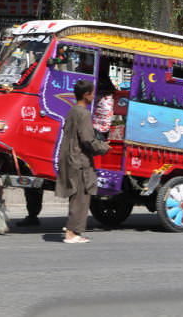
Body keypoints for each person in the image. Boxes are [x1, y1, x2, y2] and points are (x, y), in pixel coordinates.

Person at [55, 80, 111, 244]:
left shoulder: (72, 111)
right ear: (86, 95)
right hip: (79, 160)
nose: (94, 96)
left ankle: (73, 231)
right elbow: (87, 140)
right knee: (81, 196)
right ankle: (72, 234)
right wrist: (104, 147)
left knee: (77, 196)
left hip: (70, 157)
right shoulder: (84, 114)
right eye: (93, 93)